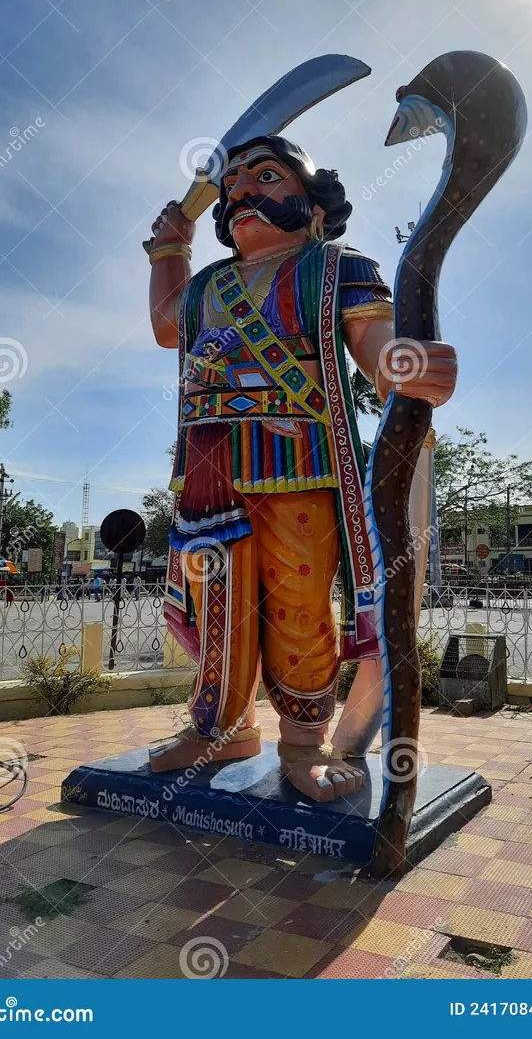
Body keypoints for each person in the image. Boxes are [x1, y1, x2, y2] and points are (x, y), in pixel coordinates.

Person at [147, 135, 457, 799]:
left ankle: (301, 742)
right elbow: (167, 326)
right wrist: (171, 248)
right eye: (231, 185)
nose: (240, 192)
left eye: (264, 176)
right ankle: (220, 727)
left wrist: (411, 367)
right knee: (216, 603)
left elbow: (374, 350)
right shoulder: (207, 286)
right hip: (209, 463)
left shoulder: (338, 267)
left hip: (300, 463)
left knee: (298, 603)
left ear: (315, 207)